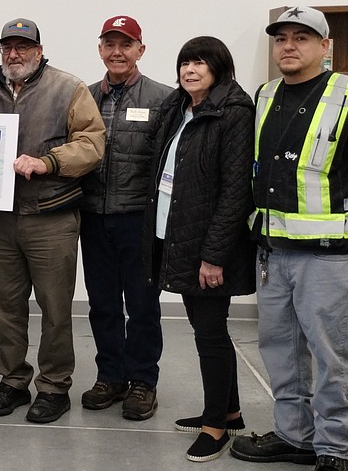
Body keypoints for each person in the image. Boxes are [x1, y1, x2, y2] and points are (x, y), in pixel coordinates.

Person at [231, 7, 348, 471]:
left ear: (325, 46)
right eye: (281, 37)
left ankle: (333, 448)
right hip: (273, 254)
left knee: (329, 357)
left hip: (329, 258)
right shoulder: (264, 96)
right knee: (281, 354)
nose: (289, 45)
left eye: (302, 37)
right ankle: (294, 436)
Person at [0, 18, 105, 423]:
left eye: (23, 47)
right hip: (1, 220)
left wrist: (47, 162)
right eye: (7, 46)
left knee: (55, 306)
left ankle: (55, 386)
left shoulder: (68, 88)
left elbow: (92, 144)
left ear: (39, 51)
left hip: (52, 217)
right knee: (5, 306)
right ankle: (13, 380)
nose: (14, 54)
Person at [142, 36, 256, 462]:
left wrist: (214, 255)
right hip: (175, 235)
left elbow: (234, 193)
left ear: (219, 68)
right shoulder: (177, 108)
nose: (190, 70)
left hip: (206, 244)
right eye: (185, 63)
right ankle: (230, 410)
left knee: (209, 333)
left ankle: (215, 427)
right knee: (208, 329)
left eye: (200, 63)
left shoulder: (234, 111)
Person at [79, 15, 172, 421]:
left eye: (126, 44)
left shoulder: (163, 98)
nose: (117, 52)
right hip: (93, 216)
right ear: (100, 49)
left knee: (142, 305)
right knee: (101, 304)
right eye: (110, 44)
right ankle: (110, 376)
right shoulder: (82, 96)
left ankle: (142, 382)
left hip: (139, 219)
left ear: (140, 50)